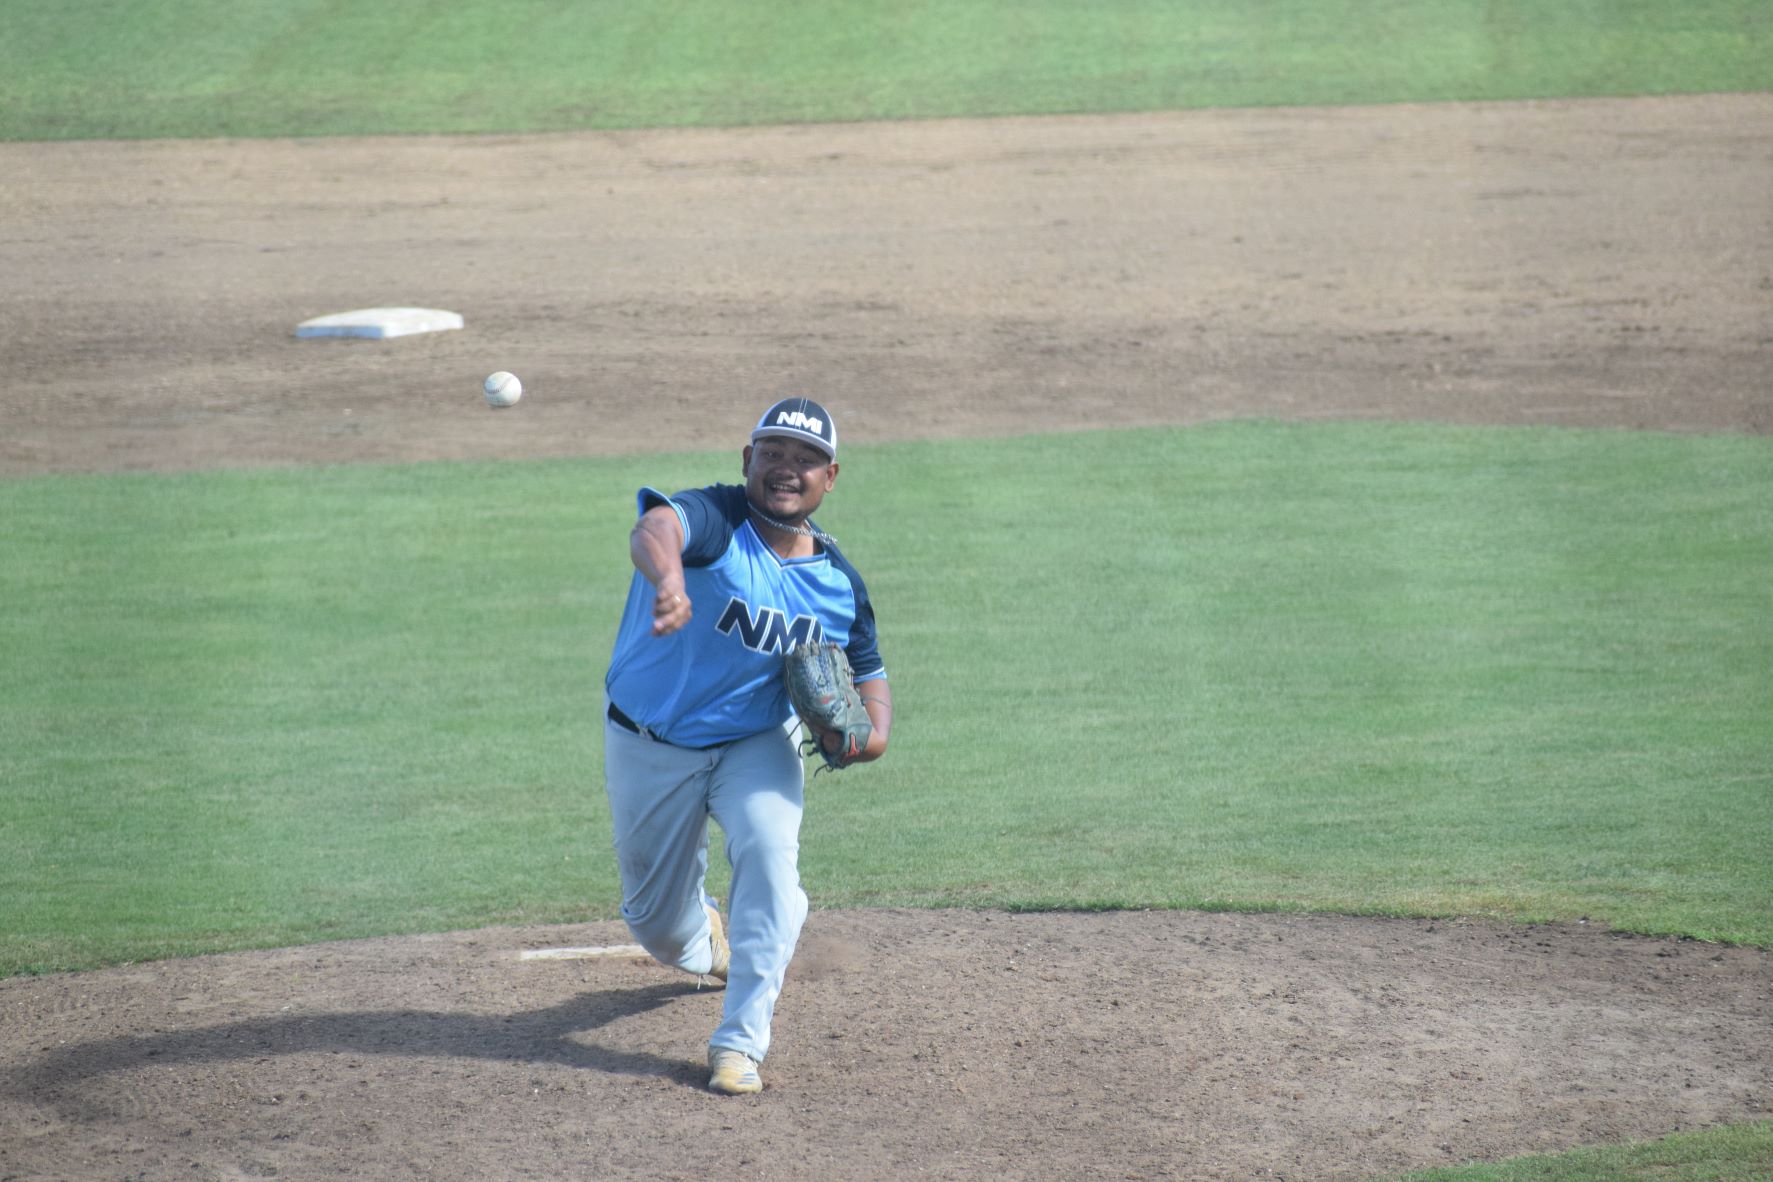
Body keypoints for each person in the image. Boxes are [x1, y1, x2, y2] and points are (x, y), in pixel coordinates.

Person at [602, 396, 892, 1095]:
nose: (787, 469)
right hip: (651, 742)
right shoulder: (716, 519)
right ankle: (707, 937)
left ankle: (739, 1045)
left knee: (768, 857)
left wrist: (872, 738)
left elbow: (869, 672)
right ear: (747, 461)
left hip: (756, 742)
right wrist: (670, 579)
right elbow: (655, 528)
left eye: (806, 459)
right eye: (774, 454)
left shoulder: (837, 583)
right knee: (658, 929)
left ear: (830, 477)